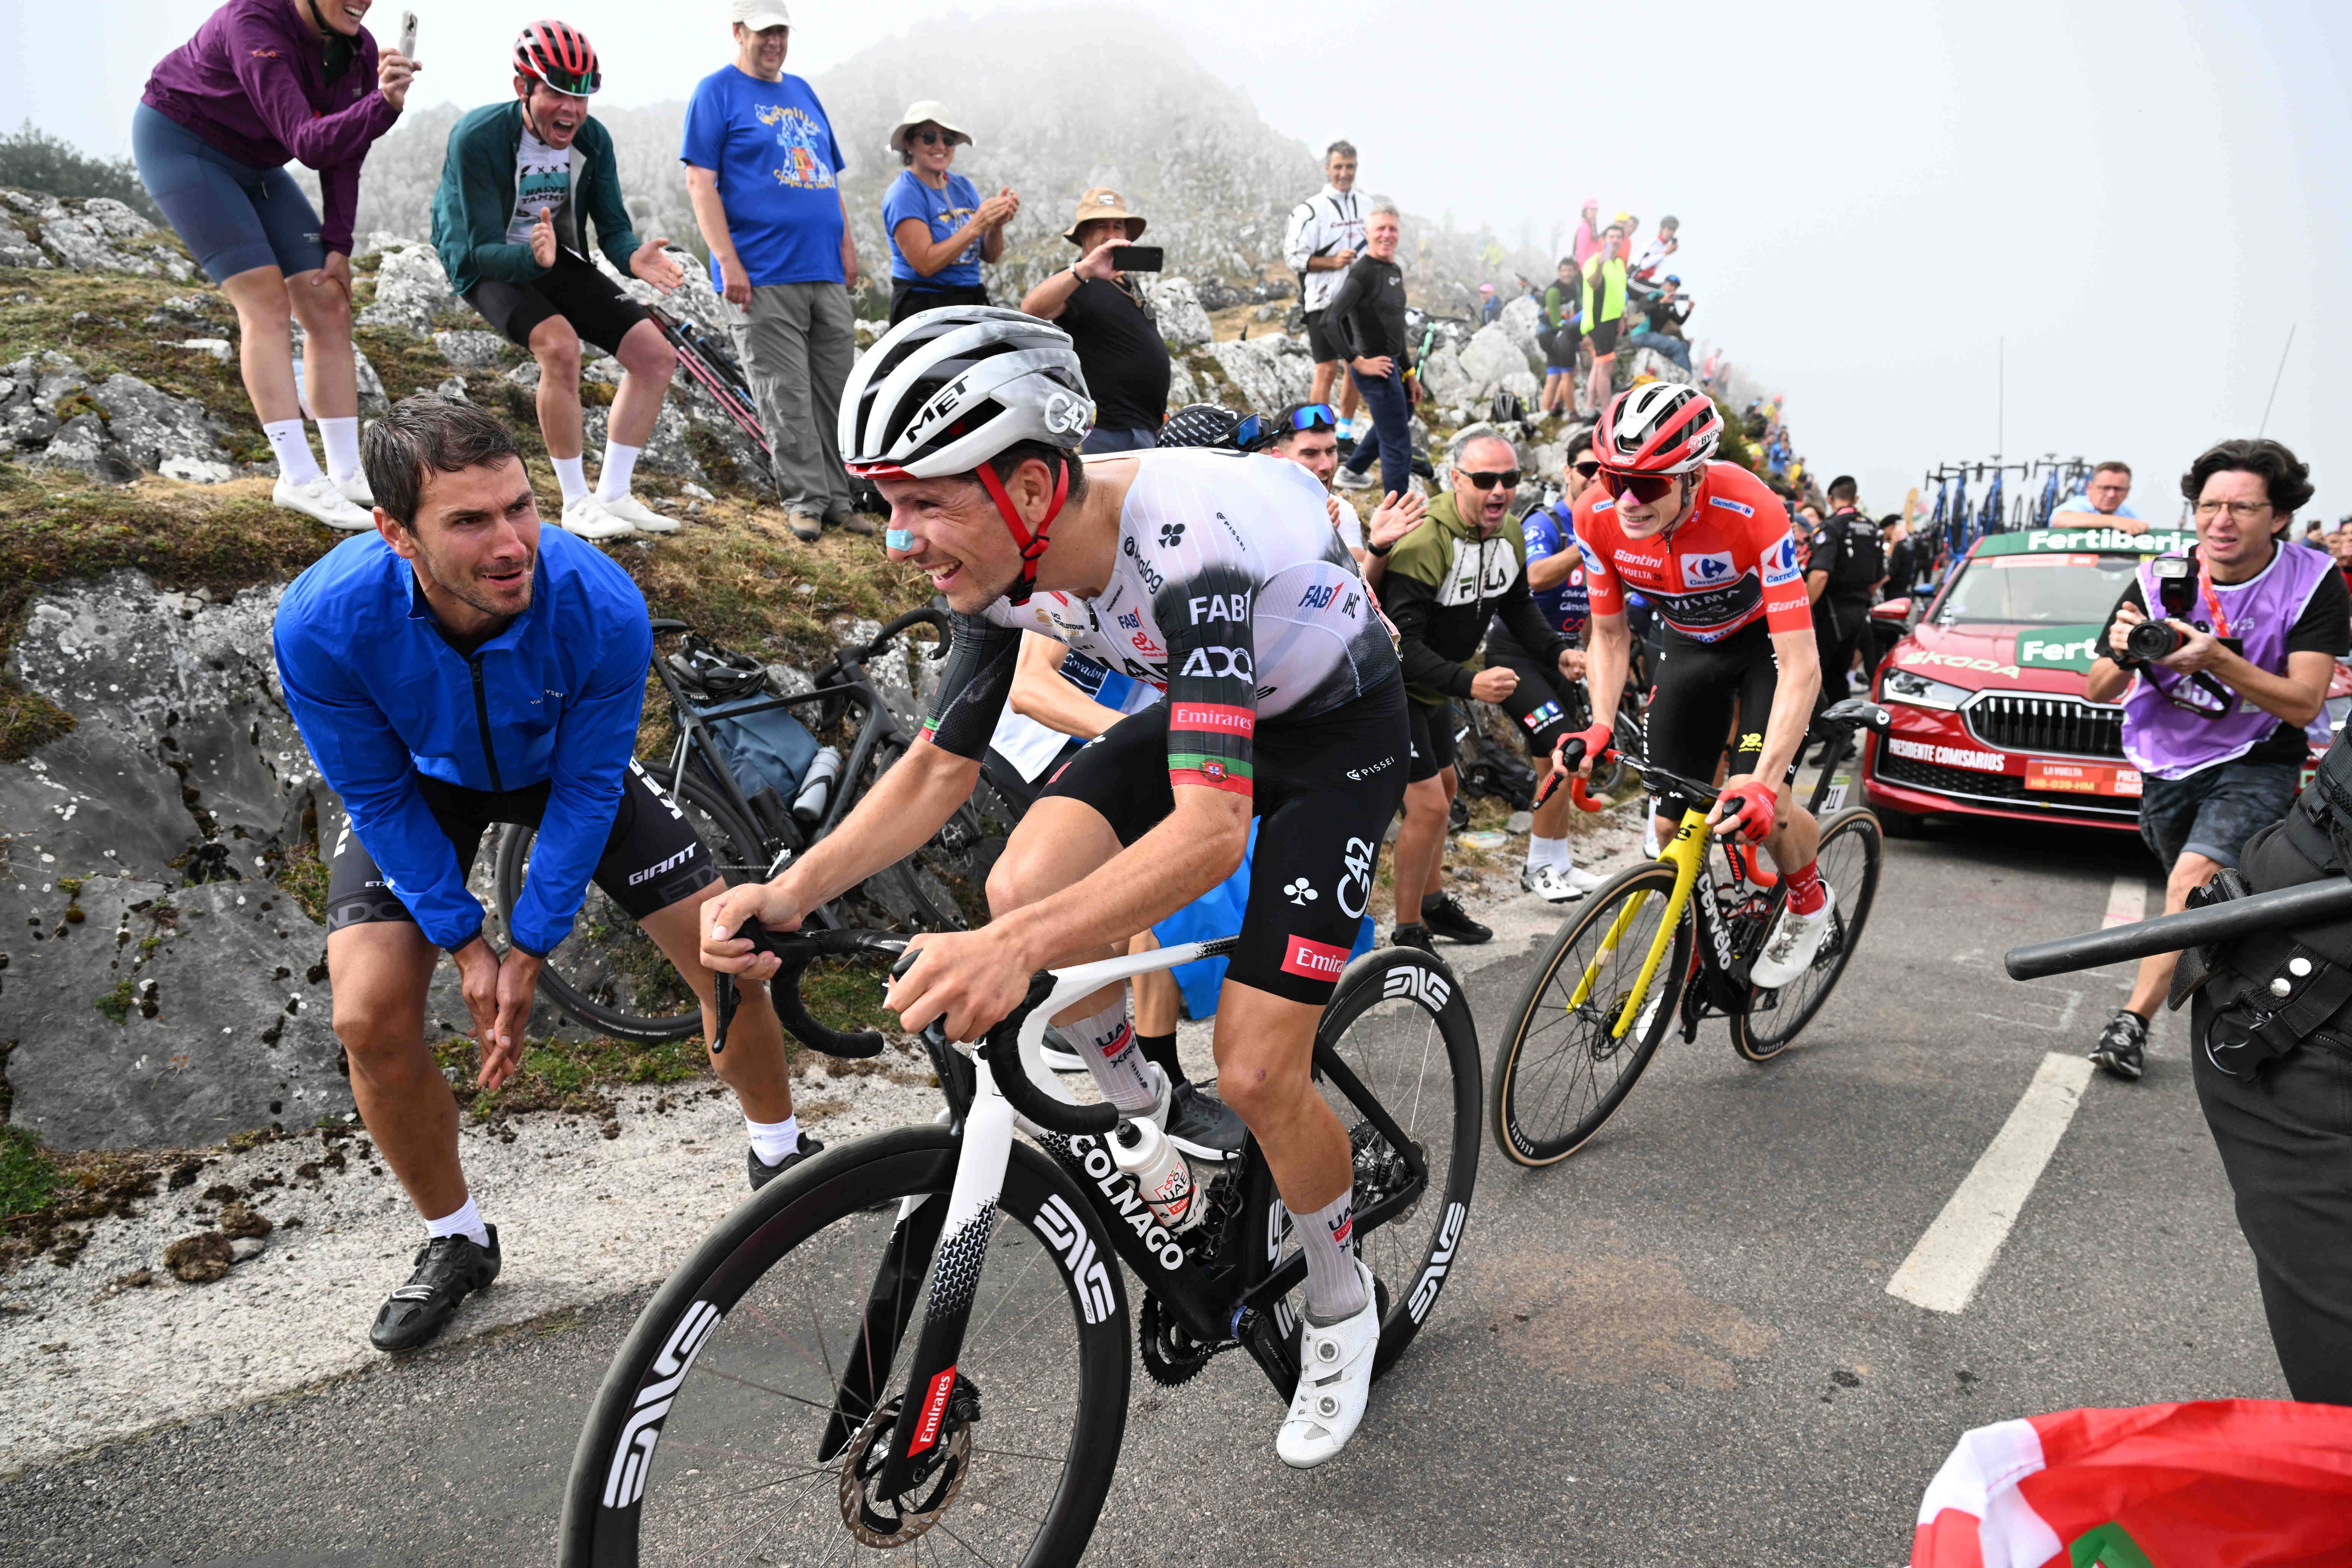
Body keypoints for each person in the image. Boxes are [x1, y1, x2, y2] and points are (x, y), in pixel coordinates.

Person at [706, 305, 1410, 1469]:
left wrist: (1019, 949)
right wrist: (792, 890)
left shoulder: (1197, 543)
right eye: (887, 503)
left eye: (924, 501)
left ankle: (1341, 1304)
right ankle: (1147, 1126)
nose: (900, 539)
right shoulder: (1005, 565)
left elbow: (1210, 834)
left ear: (1030, 486)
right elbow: (938, 766)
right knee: (1021, 877)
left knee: (1253, 1065)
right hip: (1212, 714)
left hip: (1337, 739)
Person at [272, 398, 812, 1354]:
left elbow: (590, 786)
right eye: (469, 521)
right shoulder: (322, 620)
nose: (511, 543)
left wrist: (528, 947)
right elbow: (377, 793)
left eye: (520, 506)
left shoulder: (600, 600)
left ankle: (782, 1154)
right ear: (396, 532)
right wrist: (463, 942)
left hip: (565, 770)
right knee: (366, 1016)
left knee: (725, 957)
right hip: (424, 784)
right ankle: (457, 1238)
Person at [2082, 438, 2350, 1082]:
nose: (2220, 521)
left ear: (2278, 517)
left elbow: (2303, 701)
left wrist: (2216, 658)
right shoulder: (2160, 577)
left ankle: (2131, 1021)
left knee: (2191, 881)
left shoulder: (2312, 579)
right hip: (2166, 760)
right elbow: (2096, 688)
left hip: (2258, 754)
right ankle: (2224, 945)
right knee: (2195, 894)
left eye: (2241, 507)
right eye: (2209, 506)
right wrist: (2125, 654)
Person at [1559, 383, 1838, 990]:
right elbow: (1608, 635)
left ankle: (1809, 902)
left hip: (1763, 647)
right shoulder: (1595, 516)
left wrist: (1763, 783)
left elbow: (1802, 664)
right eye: (1614, 479)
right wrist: (1601, 722)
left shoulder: (1754, 509)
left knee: (1763, 802)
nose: (1627, 500)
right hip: (1688, 645)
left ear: (1694, 477)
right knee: (1667, 828)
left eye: (1648, 485)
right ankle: (1697, 939)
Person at [134, 0, 414, 531]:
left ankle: (346, 472)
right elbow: (309, 143)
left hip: (259, 163)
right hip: (185, 147)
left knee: (329, 300)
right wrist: (383, 104)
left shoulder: (358, 49)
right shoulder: (253, 22)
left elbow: (344, 150)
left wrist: (338, 242)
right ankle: (297, 477)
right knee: (265, 301)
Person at [985, 632, 1247, 1161]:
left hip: (1124, 736)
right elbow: (1030, 685)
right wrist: (1148, 741)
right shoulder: (1072, 587)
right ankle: (1160, 1094)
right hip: (1046, 742)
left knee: (1139, 896)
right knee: (1152, 887)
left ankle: (1080, 1028)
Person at [432, 22, 686, 543]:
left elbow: (612, 227)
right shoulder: (477, 137)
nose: (571, 110)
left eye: (581, 97)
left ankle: (614, 493)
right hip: (486, 260)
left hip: (551, 253)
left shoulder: (592, 139)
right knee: (560, 346)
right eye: (556, 94)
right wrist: (532, 258)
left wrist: (632, 257)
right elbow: (481, 246)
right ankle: (575, 503)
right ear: (523, 88)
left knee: (656, 357)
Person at [681, 0, 867, 545]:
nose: (774, 42)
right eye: (764, 32)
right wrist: (728, 261)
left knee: (837, 390)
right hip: (761, 272)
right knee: (784, 393)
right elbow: (700, 182)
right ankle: (806, 501)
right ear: (738, 32)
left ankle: (841, 499)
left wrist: (847, 247)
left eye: (781, 31)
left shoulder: (803, 92)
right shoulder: (716, 92)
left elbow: (828, 179)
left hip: (823, 269)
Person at [1382, 432, 1584, 934]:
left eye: (1509, 479)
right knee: (1429, 806)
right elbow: (1401, 646)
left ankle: (1432, 905)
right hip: (1391, 688)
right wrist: (1470, 683)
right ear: (1456, 480)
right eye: (1485, 479)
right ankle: (1407, 931)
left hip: (1434, 689)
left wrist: (1558, 653)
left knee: (1448, 789)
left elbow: (1517, 606)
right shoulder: (1426, 540)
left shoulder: (1509, 533)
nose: (1499, 490)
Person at [1490, 438, 1609, 901]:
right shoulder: (1548, 522)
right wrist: (1587, 544)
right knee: (1565, 751)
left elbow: (1600, 607)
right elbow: (1535, 577)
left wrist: (1591, 656)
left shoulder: (1605, 526)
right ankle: (1537, 866)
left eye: (1604, 472)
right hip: (1516, 655)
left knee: (1559, 763)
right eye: (1587, 469)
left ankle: (1559, 862)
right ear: (1567, 472)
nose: (1596, 479)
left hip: (1560, 657)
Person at [1019, 187, 1170, 453]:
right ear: (1083, 234)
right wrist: (1086, 269)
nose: (1111, 234)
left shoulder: (1128, 282)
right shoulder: (1077, 280)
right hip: (1106, 431)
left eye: (1118, 226)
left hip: (1144, 427)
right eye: (1102, 226)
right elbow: (1032, 309)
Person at [880, 100, 1016, 324]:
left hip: (969, 300)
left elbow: (990, 256)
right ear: (908, 143)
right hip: (923, 306)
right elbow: (925, 265)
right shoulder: (904, 194)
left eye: (948, 139)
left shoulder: (963, 186)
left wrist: (996, 225)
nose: (941, 146)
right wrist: (976, 226)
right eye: (929, 137)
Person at [1260, 400, 1424, 585]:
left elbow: (1363, 586)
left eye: (1331, 451)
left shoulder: (1340, 510)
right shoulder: (1257, 510)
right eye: (1310, 453)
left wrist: (1377, 548)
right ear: (1279, 457)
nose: (1327, 465)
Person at [1327, 200, 1416, 501]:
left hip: (1393, 364)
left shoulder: (1394, 271)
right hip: (1374, 370)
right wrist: (1358, 362)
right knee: (1398, 442)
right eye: (1381, 229)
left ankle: (1353, 471)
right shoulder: (1362, 273)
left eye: (1393, 229)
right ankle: (1397, 511)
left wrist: (1410, 372)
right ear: (1367, 233)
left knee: (1402, 414)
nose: (1387, 235)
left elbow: (1396, 327)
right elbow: (1330, 321)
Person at [1283, 140, 1367, 430]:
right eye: (1338, 167)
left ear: (1357, 167)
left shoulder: (1368, 207)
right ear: (1327, 169)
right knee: (1327, 369)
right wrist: (1333, 262)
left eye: (1350, 167)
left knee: (1356, 369)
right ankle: (1315, 434)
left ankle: (1344, 434)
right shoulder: (1311, 210)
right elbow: (1293, 257)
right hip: (1323, 301)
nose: (1344, 173)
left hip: (1359, 304)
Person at [1805, 475, 1887, 713]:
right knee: (1838, 675)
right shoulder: (1873, 529)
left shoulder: (1831, 527)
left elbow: (1820, 574)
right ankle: (1844, 728)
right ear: (1856, 499)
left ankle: (1823, 729)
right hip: (1859, 613)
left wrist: (1803, 609)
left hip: (1829, 612)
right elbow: (1879, 577)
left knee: (1812, 676)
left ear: (1831, 499)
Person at [1581, 223, 1628, 418]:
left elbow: (1619, 293)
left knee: (1598, 366)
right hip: (1599, 321)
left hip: (1613, 320)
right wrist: (1600, 265)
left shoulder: (1619, 264)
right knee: (1606, 368)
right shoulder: (1594, 261)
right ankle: (1608, 413)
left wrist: (1622, 317)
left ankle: (1590, 409)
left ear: (1622, 240)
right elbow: (1594, 284)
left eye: (1618, 237)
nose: (1615, 240)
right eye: (1611, 237)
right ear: (1604, 240)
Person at [1539, 257, 1582, 417]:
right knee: (1569, 373)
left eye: (1570, 270)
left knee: (1554, 376)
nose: (1567, 274)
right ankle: (1571, 412)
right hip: (1550, 336)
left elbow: (1578, 309)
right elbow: (1556, 322)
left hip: (1558, 335)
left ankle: (1547, 412)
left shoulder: (1575, 288)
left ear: (1575, 272)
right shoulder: (1554, 292)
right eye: (1564, 271)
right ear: (1559, 272)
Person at [1625, 276, 1694, 371]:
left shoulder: (1670, 304)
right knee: (1677, 347)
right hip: (1641, 334)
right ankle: (1686, 378)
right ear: (1663, 284)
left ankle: (1681, 375)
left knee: (1684, 346)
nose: (1673, 288)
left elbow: (1679, 321)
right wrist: (1661, 302)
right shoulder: (1654, 296)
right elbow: (1640, 314)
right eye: (1671, 285)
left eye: (1676, 287)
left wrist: (1688, 310)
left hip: (1653, 336)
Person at [2052, 460, 2143, 531]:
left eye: (2118, 489)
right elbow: (2059, 520)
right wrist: (2114, 521)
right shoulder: (2079, 505)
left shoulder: (2127, 512)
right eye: (2105, 488)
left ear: (2128, 491)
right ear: (2090, 488)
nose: (2111, 495)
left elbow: (2143, 526)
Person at [1630, 215, 1680, 297]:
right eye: (1669, 229)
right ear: (1662, 229)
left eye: (1673, 231)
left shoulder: (1663, 246)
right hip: (1633, 280)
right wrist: (1666, 253)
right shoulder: (1654, 242)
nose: (1671, 233)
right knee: (1663, 293)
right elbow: (1644, 265)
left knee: (1667, 289)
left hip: (1642, 281)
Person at [1570, 198, 1604, 267]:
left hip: (1593, 265)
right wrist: (1582, 268)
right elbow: (1581, 251)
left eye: (1596, 210)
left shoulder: (1592, 227)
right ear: (1585, 212)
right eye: (1592, 210)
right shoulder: (1585, 228)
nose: (1594, 213)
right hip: (1586, 267)